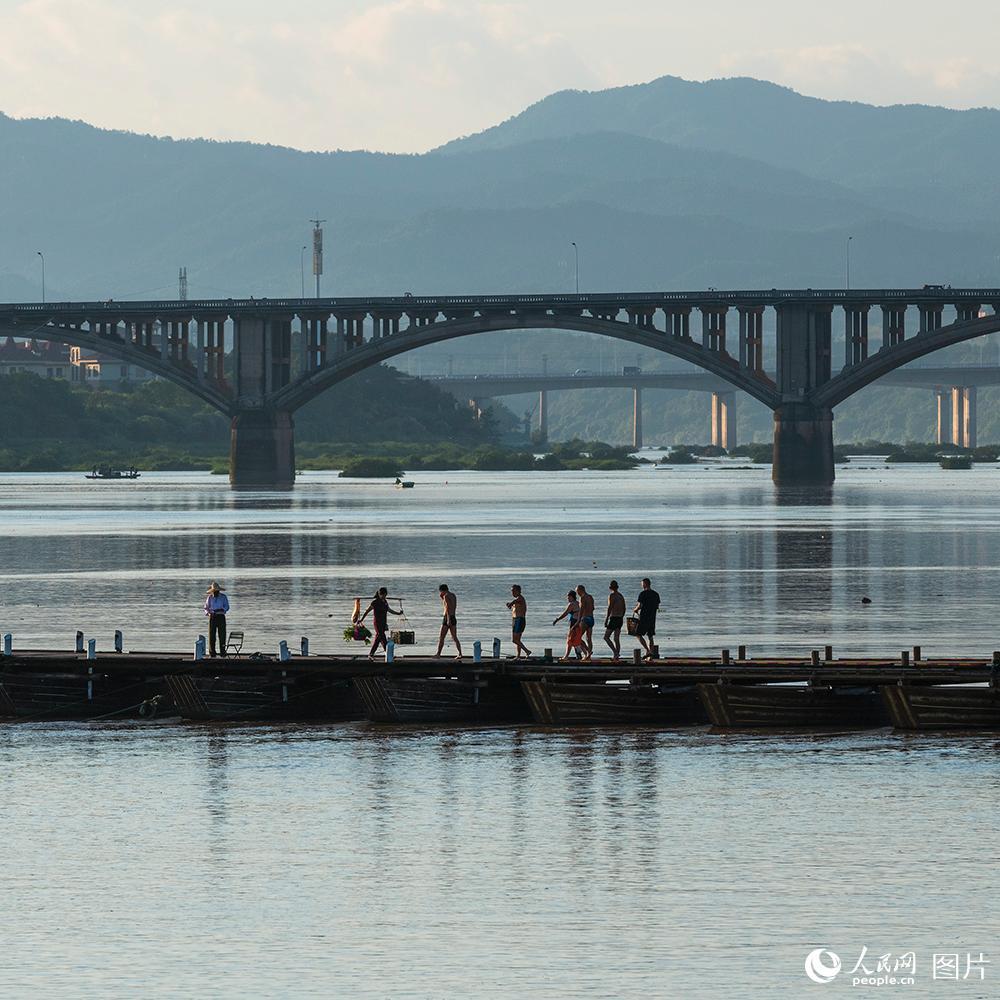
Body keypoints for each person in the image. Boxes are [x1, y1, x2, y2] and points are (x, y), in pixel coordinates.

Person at [361, 587, 403, 660]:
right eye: (382, 595)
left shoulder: (385, 602)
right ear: (379, 594)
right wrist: (361, 619)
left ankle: (371, 654)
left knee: (378, 639)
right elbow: (367, 611)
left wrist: (398, 613)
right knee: (382, 637)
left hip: (383, 623)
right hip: (377, 623)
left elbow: (389, 610)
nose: (384, 596)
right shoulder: (375, 602)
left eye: (385, 595)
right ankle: (388, 653)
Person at [633, 577, 661, 661]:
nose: (641, 585)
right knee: (650, 636)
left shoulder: (643, 594)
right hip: (652, 618)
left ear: (645, 584)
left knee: (638, 634)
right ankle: (650, 657)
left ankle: (648, 650)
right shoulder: (656, 594)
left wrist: (635, 609)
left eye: (642, 584)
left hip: (644, 618)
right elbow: (657, 607)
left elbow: (640, 606)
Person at [553, 589, 584, 661]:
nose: (567, 598)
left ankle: (566, 656)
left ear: (572, 597)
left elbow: (565, 613)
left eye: (568, 597)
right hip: (578, 623)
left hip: (573, 624)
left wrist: (557, 619)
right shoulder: (578, 603)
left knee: (569, 641)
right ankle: (580, 655)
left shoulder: (572, 604)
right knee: (576, 641)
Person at [435, 583, 463, 658]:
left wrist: (448, 619)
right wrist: (442, 598)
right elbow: (452, 606)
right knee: (454, 637)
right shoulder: (453, 595)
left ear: (442, 590)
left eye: (441, 592)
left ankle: (438, 654)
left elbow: (447, 608)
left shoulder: (446, 596)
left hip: (447, 617)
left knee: (441, 637)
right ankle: (460, 653)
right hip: (453, 617)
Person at [203, 581, 230, 658]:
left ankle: (222, 652)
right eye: (214, 591)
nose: (215, 593)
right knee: (212, 636)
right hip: (212, 617)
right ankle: (212, 653)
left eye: (216, 591)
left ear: (219, 591)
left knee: (222, 635)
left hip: (221, 617)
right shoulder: (209, 598)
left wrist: (221, 610)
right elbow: (206, 608)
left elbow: (227, 607)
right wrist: (209, 613)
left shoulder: (223, 597)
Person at [604, 579, 627, 661]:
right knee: (616, 638)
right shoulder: (621, 596)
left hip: (614, 618)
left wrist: (606, 619)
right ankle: (616, 656)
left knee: (606, 637)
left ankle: (615, 653)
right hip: (620, 618)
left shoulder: (612, 596)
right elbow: (624, 608)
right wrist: (621, 616)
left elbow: (610, 607)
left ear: (610, 588)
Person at [506, 584, 531, 659]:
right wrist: (510, 605)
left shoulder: (520, 598)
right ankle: (518, 655)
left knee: (514, 640)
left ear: (518, 591)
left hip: (519, 620)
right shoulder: (517, 599)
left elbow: (514, 601)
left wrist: (510, 604)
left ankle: (527, 651)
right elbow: (514, 606)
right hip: (515, 620)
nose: (512, 593)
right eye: (511, 591)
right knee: (518, 640)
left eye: (513, 591)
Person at [576, 584, 595, 660]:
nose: (577, 593)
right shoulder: (590, 597)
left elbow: (582, 610)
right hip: (591, 618)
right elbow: (593, 608)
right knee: (589, 638)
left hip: (585, 619)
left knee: (577, 637)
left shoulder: (582, 598)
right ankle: (588, 656)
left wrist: (578, 621)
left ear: (581, 590)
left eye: (577, 591)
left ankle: (588, 651)